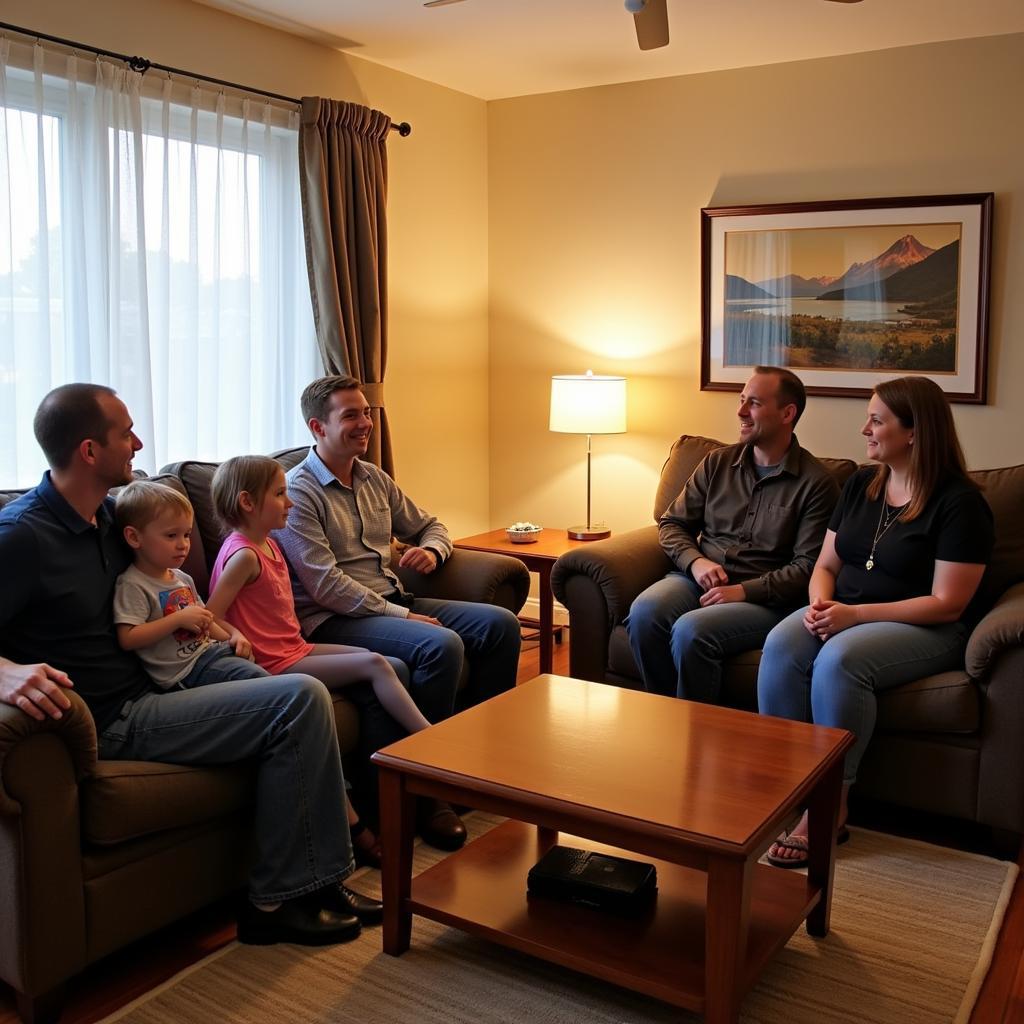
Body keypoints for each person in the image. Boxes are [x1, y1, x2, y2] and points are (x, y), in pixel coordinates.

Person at [0, 383, 382, 945]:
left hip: (164, 683)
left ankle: (319, 879)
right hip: (113, 719)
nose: (138, 442)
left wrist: (219, 629)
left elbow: (174, 590)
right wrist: (4, 671)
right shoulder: (23, 536)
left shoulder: (111, 519)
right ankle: (275, 904)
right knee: (298, 697)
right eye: (125, 432)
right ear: (88, 451)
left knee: (293, 692)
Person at [276, 375, 523, 851]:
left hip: (392, 600)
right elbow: (324, 585)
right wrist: (404, 617)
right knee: (439, 644)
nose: (365, 423)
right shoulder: (298, 492)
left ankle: (478, 766)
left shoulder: (372, 477)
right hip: (335, 618)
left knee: (500, 626)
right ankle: (429, 793)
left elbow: (432, 524)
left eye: (366, 412)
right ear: (317, 427)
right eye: (351, 415)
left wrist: (432, 551)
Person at [758, 376, 993, 868]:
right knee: (782, 643)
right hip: (844, 613)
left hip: (925, 629)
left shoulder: (960, 504)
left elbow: (948, 602)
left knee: (840, 662)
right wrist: (821, 605)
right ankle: (785, 787)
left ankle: (832, 806)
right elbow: (825, 565)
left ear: (914, 432)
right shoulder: (861, 486)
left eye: (877, 420)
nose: (864, 428)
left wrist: (853, 616)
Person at [206, 454, 436, 867]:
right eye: (280, 495)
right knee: (377, 665)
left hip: (295, 647)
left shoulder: (269, 544)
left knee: (382, 661)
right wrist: (236, 635)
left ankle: (400, 777)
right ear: (246, 502)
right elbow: (210, 617)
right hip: (275, 663)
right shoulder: (242, 555)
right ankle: (435, 744)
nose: (290, 504)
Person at [626, 367, 839, 702]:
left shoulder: (816, 483)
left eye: (752, 403)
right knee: (644, 613)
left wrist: (742, 591)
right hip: (697, 578)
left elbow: (808, 566)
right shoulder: (716, 463)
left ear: (787, 413)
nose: (740, 412)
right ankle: (665, 718)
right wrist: (695, 562)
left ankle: (697, 733)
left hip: (765, 599)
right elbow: (671, 524)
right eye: (742, 400)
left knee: (690, 631)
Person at [113, 480, 265, 689]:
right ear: (134, 537)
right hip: (187, 671)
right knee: (264, 684)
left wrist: (234, 637)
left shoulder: (183, 578)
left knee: (262, 676)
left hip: (213, 653)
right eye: (171, 535)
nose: (183, 544)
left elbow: (207, 620)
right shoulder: (133, 584)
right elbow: (128, 638)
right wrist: (177, 619)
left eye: (186, 535)